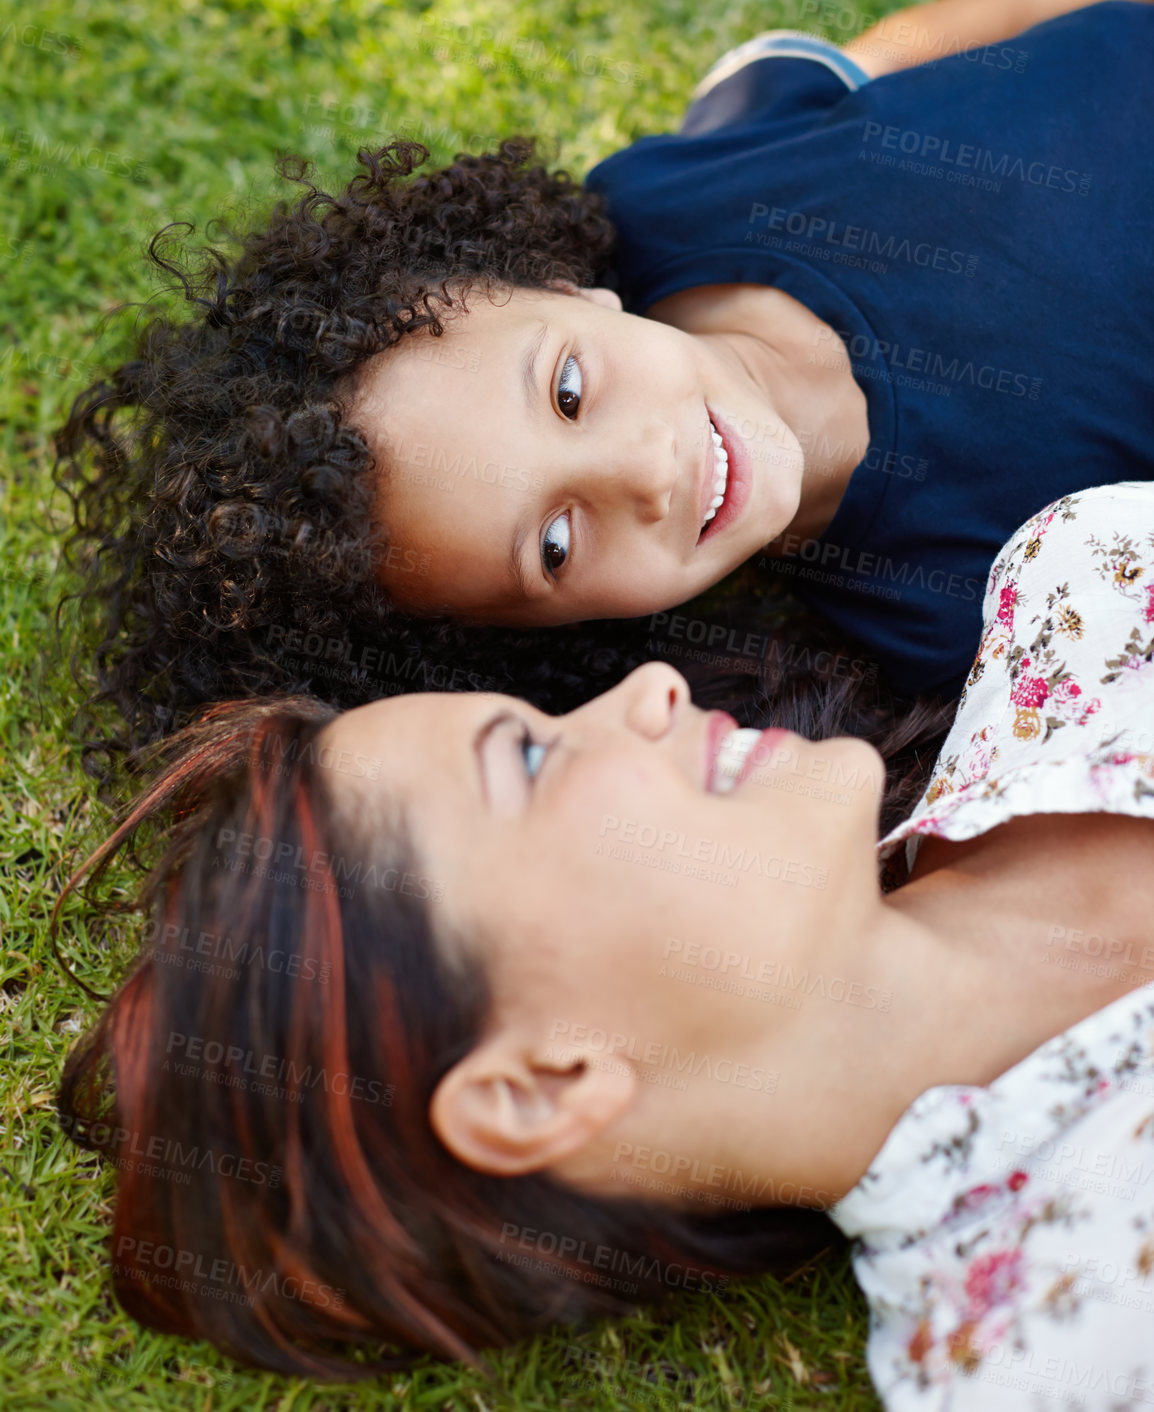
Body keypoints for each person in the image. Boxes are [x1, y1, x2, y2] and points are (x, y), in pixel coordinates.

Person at [59, 480, 1154, 1404]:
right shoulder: (1057, 1352)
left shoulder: (1085, 593)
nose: (649, 687)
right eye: (530, 761)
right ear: (538, 1084)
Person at [57, 0, 1154, 769]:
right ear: (563, 634)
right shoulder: (970, 606)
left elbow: (888, 55)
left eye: (568, 390)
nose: (641, 472)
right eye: (552, 542)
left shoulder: (670, 192)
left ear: (560, 286)